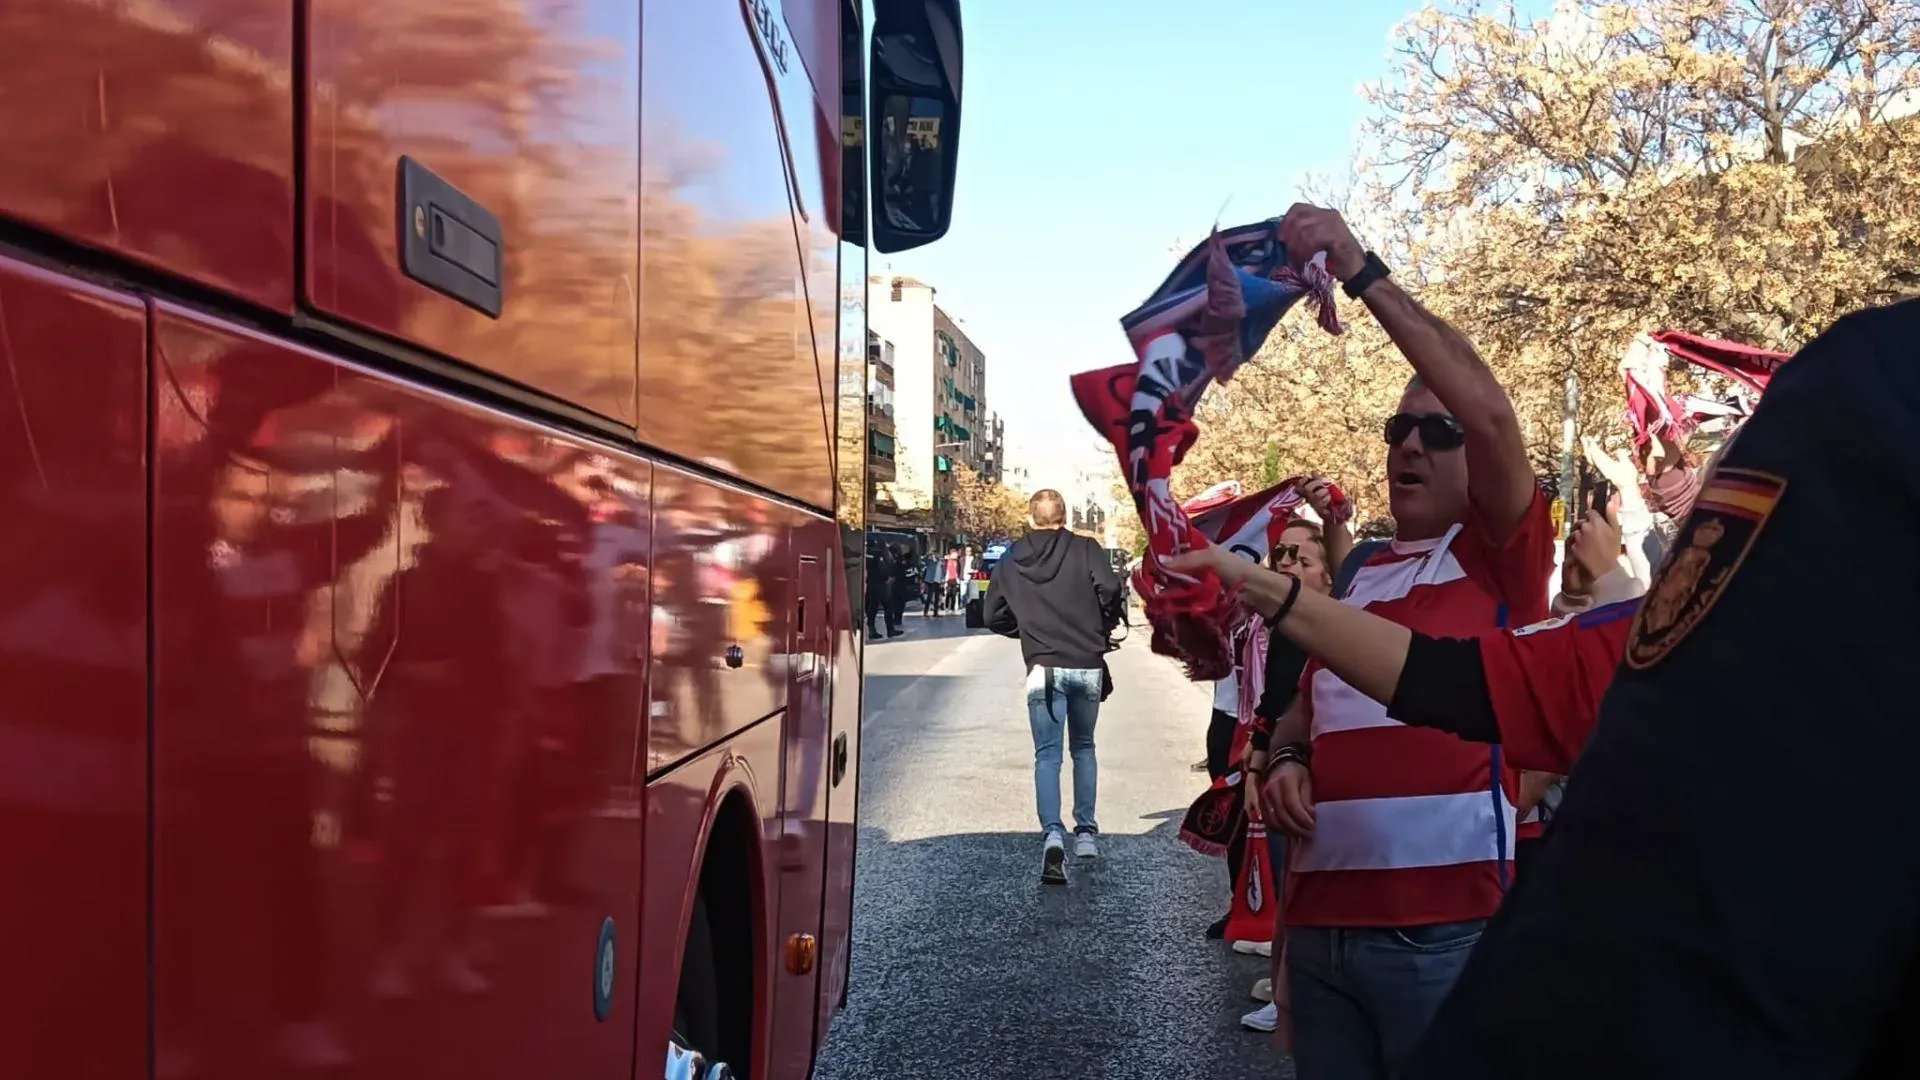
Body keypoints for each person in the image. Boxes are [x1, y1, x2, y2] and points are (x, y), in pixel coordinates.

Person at [1258, 203, 1556, 1080]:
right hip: (1323, 945)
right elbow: (1299, 719)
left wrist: (1357, 266)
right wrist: (1281, 764)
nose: (1411, 446)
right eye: (1398, 430)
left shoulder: (1501, 558)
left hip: (1443, 945)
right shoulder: (1361, 576)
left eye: (1438, 431)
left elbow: (1493, 414)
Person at [984, 489, 1124, 884]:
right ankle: (1086, 834)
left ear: (1030, 519)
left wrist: (1027, 631)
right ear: (1065, 517)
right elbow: (1111, 590)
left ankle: (1051, 835)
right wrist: (1099, 624)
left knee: (1047, 755)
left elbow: (992, 614)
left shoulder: (1011, 558)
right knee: (1084, 747)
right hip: (1086, 664)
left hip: (1042, 669)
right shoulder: (1086, 549)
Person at [920, 549, 944, 617]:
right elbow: (923, 560)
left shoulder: (940, 562)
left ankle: (935, 612)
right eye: (935, 554)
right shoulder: (930, 561)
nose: (937, 555)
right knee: (929, 597)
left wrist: (942, 579)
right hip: (931, 581)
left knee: (937, 598)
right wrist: (928, 554)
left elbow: (942, 571)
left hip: (938, 581)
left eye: (937, 554)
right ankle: (925, 611)